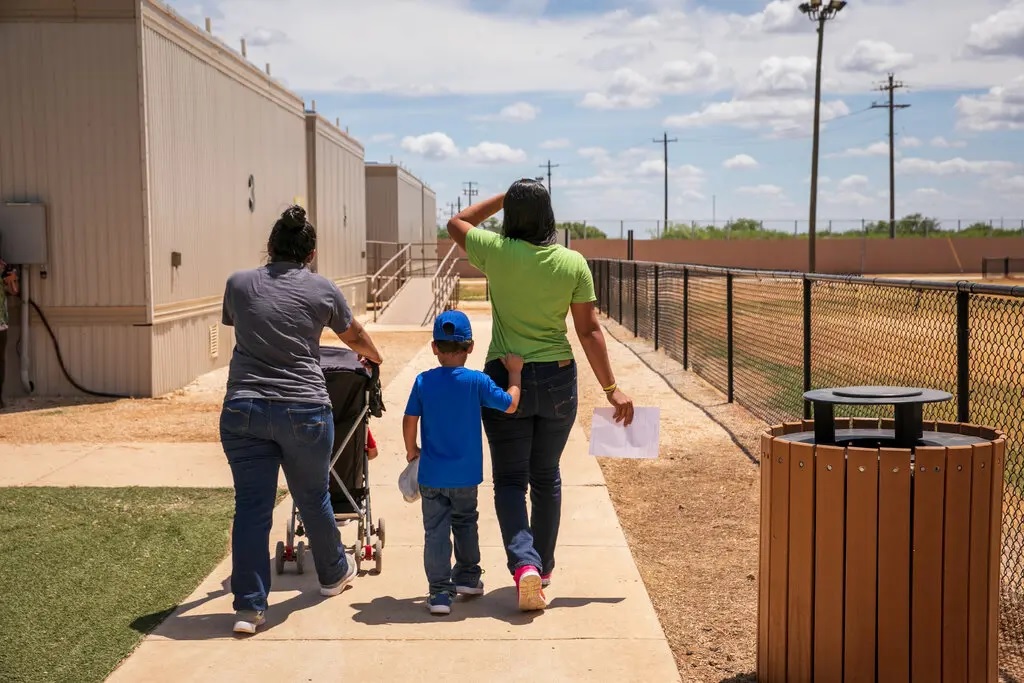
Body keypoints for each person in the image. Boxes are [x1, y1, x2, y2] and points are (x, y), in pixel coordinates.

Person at [446, 179, 634, 612]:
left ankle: (524, 566)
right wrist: (611, 387)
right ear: (550, 215)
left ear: (510, 215)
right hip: (558, 379)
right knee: (545, 475)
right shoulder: (572, 263)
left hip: (503, 376)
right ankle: (543, 569)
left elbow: (455, 223)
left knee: (510, 480)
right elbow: (588, 331)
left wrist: (501, 198)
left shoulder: (495, 251)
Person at [220, 205, 383, 635]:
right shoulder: (322, 290)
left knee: (251, 508)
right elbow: (354, 337)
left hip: (244, 408)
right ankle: (332, 574)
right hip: (304, 409)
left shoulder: (237, 284)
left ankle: (249, 608)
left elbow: (244, 321)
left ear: (270, 246)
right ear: (310, 253)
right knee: (313, 496)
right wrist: (375, 356)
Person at [402, 310, 523, 615]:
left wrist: (411, 450)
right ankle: (468, 576)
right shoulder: (477, 381)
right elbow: (509, 405)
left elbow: (409, 419)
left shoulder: (423, 381)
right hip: (466, 475)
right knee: (466, 522)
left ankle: (440, 593)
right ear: (470, 347)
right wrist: (515, 374)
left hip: (432, 475)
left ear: (434, 347)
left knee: (435, 531)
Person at [0, 257, 19, 411]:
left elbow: (13, 291)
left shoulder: (3, 266)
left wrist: (11, 280)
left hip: (0, 323)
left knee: (0, 361)